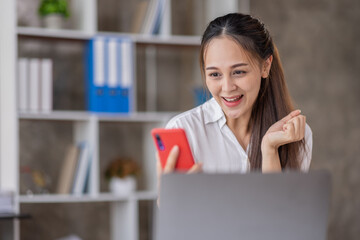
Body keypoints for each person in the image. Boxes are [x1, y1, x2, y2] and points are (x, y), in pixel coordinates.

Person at [157, 13, 312, 177]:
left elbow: (282, 203)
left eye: (238, 72)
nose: (227, 87)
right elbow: (171, 202)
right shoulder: (184, 131)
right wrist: (167, 196)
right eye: (215, 74)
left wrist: (270, 149)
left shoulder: (294, 134)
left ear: (265, 66)